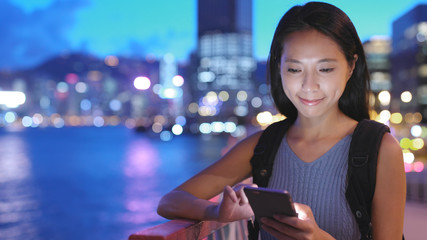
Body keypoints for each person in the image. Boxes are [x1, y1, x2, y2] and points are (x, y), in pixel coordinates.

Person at [157, 2, 406, 239]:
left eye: (325, 69)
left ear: (351, 66)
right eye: (295, 69)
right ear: (279, 67)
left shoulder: (380, 148)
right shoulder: (265, 145)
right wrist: (216, 212)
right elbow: (170, 201)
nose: (309, 86)